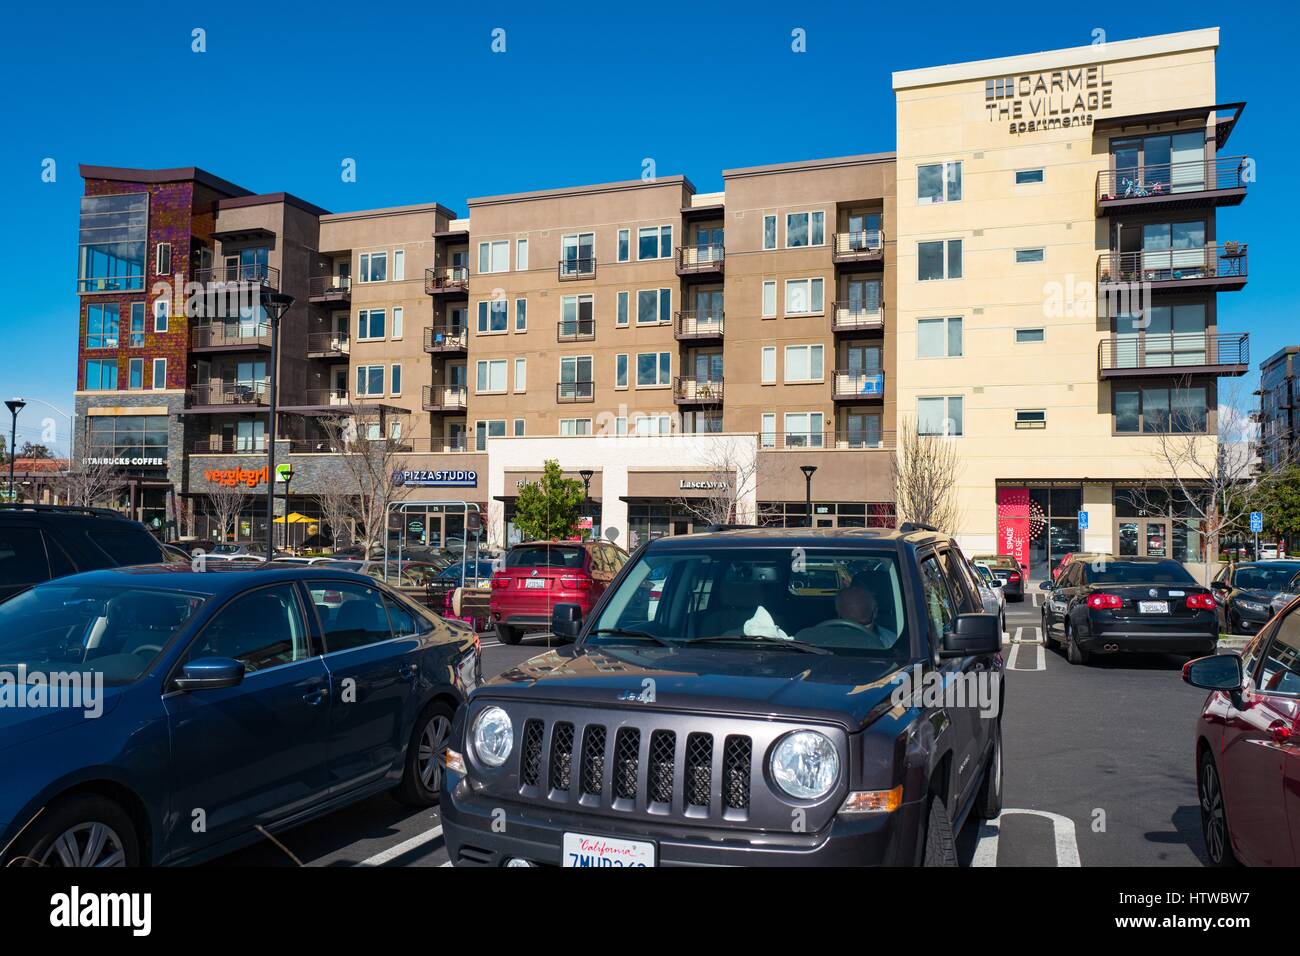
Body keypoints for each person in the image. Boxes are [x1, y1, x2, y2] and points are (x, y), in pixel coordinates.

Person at [794, 584, 897, 649]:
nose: (854, 632)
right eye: (849, 623)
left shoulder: (890, 643)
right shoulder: (814, 639)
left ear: (875, 612)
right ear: (838, 614)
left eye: (861, 624)